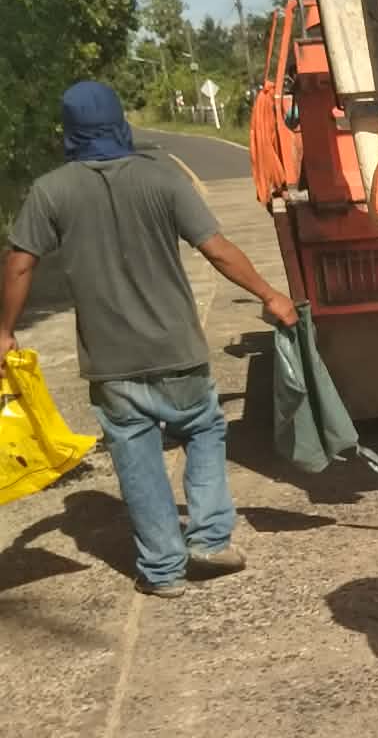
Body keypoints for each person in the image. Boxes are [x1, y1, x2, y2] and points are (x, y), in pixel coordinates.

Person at [0, 81, 298, 598]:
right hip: (176, 349)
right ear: (120, 123)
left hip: (110, 362)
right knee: (202, 429)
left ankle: (162, 571)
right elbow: (217, 249)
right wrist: (270, 295)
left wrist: (5, 331)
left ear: (69, 132)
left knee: (136, 456)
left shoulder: (50, 191)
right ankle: (209, 539)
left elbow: (20, 263)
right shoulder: (162, 179)